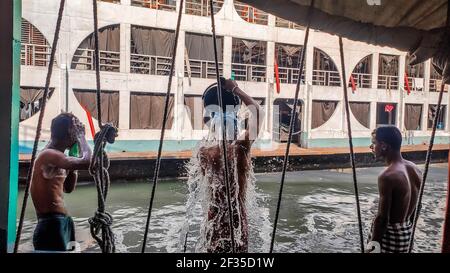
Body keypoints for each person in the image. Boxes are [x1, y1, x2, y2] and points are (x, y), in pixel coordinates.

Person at [198, 78, 263, 253]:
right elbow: (257, 112)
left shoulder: (204, 152)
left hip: (213, 217)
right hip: (236, 216)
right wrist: (236, 89)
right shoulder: (240, 148)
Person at [30, 113, 92, 251]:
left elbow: (68, 188)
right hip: (51, 224)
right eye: (76, 129)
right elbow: (88, 162)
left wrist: (74, 160)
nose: (78, 133)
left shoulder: (60, 158)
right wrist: (81, 137)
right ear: (70, 131)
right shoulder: (48, 155)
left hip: (62, 222)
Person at [367, 125, 422, 253]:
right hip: (406, 233)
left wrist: (373, 248)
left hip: (389, 237)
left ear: (384, 146)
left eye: (374, 143)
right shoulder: (415, 169)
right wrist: (409, 232)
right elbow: (417, 207)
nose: (372, 148)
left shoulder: (387, 176)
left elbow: (382, 219)